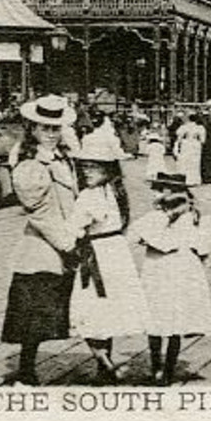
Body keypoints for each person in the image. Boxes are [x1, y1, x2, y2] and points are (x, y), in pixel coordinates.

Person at [1, 95, 80, 386]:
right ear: (32, 128)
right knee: (34, 313)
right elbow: (39, 212)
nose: (51, 134)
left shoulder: (64, 158)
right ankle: (26, 371)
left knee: (63, 308)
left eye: (55, 128)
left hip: (68, 238)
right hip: (43, 247)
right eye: (45, 128)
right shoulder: (29, 164)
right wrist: (67, 244)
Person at [68, 135, 150, 383]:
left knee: (89, 309)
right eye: (85, 167)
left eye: (95, 166)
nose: (88, 171)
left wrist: (73, 237)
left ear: (108, 168)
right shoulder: (117, 192)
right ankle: (105, 366)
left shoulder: (89, 196)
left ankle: (105, 362)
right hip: (117, 253)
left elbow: (73, 228)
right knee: (109, 312)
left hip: (98, 255)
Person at [132, 172, 211, 386]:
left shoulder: (161, 215)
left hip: (160, 268)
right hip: (184, 268)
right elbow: (205, 246)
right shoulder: (198, 215)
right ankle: (166, 369)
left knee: (158, 318)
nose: (157, 193)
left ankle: (157, 368)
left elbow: (138, 236)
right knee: (175, 320)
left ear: (169, 191)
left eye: (161, 189)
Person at [173, 114, 206, 185]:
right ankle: (194, 180)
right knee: (195, 163)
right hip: (195, 145)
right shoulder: (200, 128)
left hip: (186, 145)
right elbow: (203, 140)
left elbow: (179, 136)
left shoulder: (184, 127)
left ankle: (185, 178)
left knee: (185, 161)